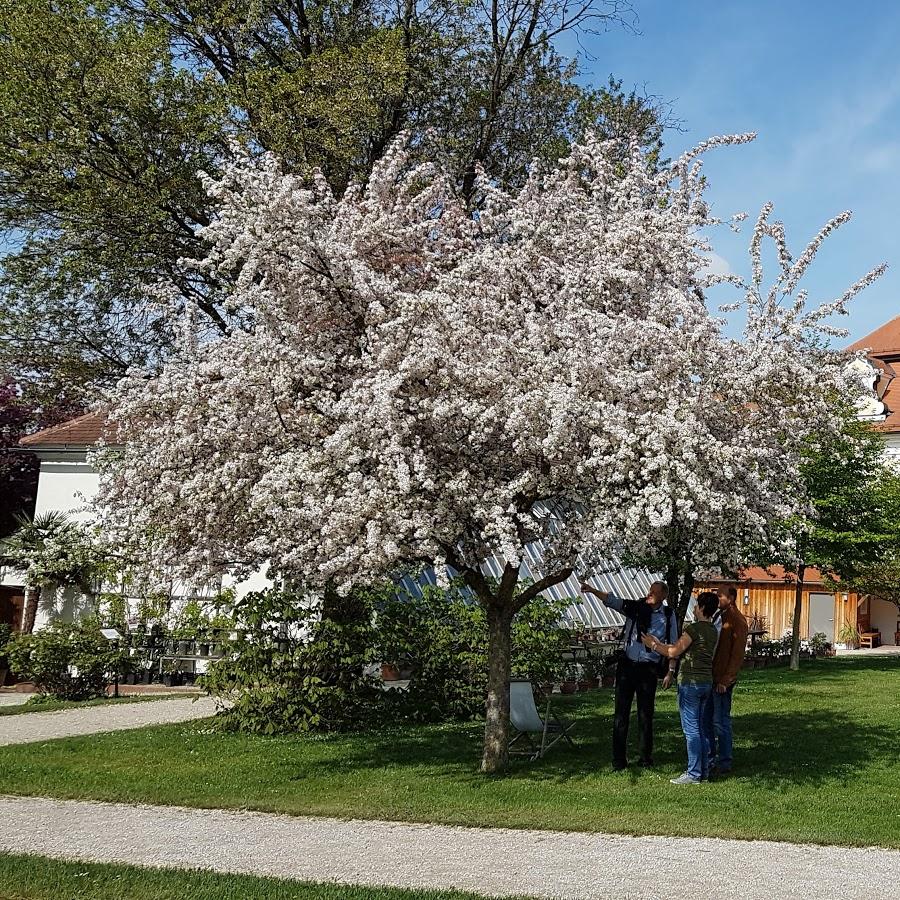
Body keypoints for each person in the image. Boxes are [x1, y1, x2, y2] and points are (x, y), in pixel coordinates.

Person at [580, 580, 677, 771]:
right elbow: (613, 601)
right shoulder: (635, 608)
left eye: (654, 592)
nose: (650, 594)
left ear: (663, 596)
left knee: (645, 714)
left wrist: (670, 671)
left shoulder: (668, 615)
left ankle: (645, 758)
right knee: (621, 714)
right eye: (649, 590)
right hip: (627, 666)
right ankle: (618, 760)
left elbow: (673, 645)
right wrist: (592, 590)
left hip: (648, 669)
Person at [642, 590, 719, 785]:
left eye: (696, 605)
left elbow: (674, 651)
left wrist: (652, 645)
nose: (694, 608)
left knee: (691, 730)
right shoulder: (712, 630)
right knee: (701, 728)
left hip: (690, 683)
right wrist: (661, 644)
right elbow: (680, 647)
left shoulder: (694, 629)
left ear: (702, 608)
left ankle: (693, 773)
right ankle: (703, 772)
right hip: (706, 682)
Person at [707, 586, 749, 776]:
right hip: (711, 676)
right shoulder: (719, 616)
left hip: (722, 679)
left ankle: (724, 762)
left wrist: (727, 678)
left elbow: (737, 654)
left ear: (731, 598)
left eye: (720, 596)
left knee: (720, 721)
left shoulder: (737, 621)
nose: (717, 599)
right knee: (707, 719)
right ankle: (709, 758)